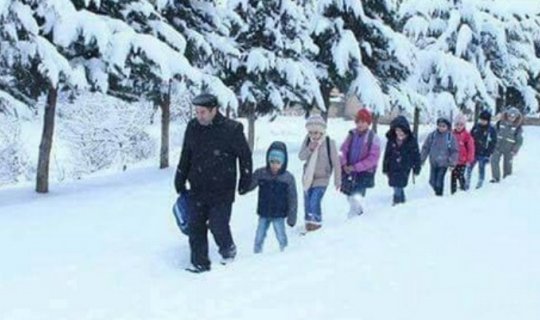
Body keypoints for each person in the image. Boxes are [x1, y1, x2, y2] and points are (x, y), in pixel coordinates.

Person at [175, 93, 253, 273]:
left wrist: (245, 179)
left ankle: (228, 250)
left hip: (222, 189)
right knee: (196, 226)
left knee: (218, 224)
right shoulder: (193, 127)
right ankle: (199, 263)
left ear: (214, 110)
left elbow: (245, 156)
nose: (199, 116)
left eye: (203, 112)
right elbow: (186, 154)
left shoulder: (232, 129)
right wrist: (180, 176)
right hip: (198, 187)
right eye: (197, 112)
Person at [246, 142, 297, 253]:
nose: (274, 165)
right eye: (272, 162)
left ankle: (285, 251)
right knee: (259, 235)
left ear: (283, 163)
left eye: (278, 162)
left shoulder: (287, 178)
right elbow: (250, 185)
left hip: (279, 214)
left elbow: (293, 198)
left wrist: (292, 216)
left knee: (281, 235)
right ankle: (256, 253)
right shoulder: (261, 173)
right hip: (264, 212)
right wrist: (245, 182)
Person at [298, 115, 341, 232]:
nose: (313, 136)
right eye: (311, 133)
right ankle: (308, 224)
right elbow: (301, 156)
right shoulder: (307, 141)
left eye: (316, 133)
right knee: (307, 203)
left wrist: (337, 180)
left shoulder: (329, 143)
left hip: (322, 178)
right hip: (308, 178)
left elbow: (336, 163)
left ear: (322, 131)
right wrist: (309, 149)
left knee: (314, 201)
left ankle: (316, 224)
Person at [339, 108, 381, 217]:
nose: (360, 124)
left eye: (363, 122)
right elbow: (342, 150)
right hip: (349, 171)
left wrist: (356, 167)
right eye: (358, 122)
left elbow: (373, 158)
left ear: (368, 123)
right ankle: (356, 212)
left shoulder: (373, 138)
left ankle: (355, 216)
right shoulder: (351, 135)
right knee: (349, 195)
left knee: (356, 196)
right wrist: (344, 163)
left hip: (363, 173)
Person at [382, 116, 421, 205]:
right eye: (397, 131)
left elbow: (416, 155)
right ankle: (402, 202)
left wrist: (416, 168)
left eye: (401, 130)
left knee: (399, 185)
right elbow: (387, 155)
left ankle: (397, 201)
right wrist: (385, 167)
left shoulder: (411, 141)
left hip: (404, 167)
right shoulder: (391, 141)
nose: (399, 133)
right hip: (392, 167)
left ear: (405, 130)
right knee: (395, 185)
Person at [420, 117, 459, 196]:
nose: (441, 128)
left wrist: (452, 162)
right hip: (433, 162)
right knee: (432, 181)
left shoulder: (450, 137)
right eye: (439, 126)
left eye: (443, 126)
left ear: (447, 127)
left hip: (443, 163)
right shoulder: (433, 135)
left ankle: (439, 195)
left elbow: (454, 151)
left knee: (439, 180)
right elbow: (426, 148)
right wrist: (421, 159)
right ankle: (435, 192)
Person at [490, 107, 524, 183]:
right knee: (494, 161)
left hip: (509, 149)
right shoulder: (500, 123)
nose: (511, 118)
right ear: (507, 115)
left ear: (516, 117)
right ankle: (495, 178)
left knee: (508, 164)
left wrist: (515, 150)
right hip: (497, 146)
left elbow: (519, 140)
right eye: (510, 116)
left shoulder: (518, 128)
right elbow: (493, 133)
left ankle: (507, 179)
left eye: (513, 117)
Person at [467, 110, 497, 189]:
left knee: (481, 168)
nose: (482, 122)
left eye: (484, 120)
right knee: (469, 168)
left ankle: (480, 183)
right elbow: (470, 137)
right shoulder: (476, 126)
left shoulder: (491, 130)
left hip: (483, 153)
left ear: (488, 121)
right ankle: (466, 183)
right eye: (481, 120)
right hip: (473, 152)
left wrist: (488, 154)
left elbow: (493, 143)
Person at [451, 114, 475, 194]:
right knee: (453, 176)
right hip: (454, 160)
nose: (459, 126)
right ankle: (453, 191)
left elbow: (471, 148)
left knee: (460, 175)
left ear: (464, 125)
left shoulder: (467, 135)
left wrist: (469, 159)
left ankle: (463, 189)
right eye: (457, 124)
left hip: (463, 160)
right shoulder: (452, 134)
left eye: (461, 124)